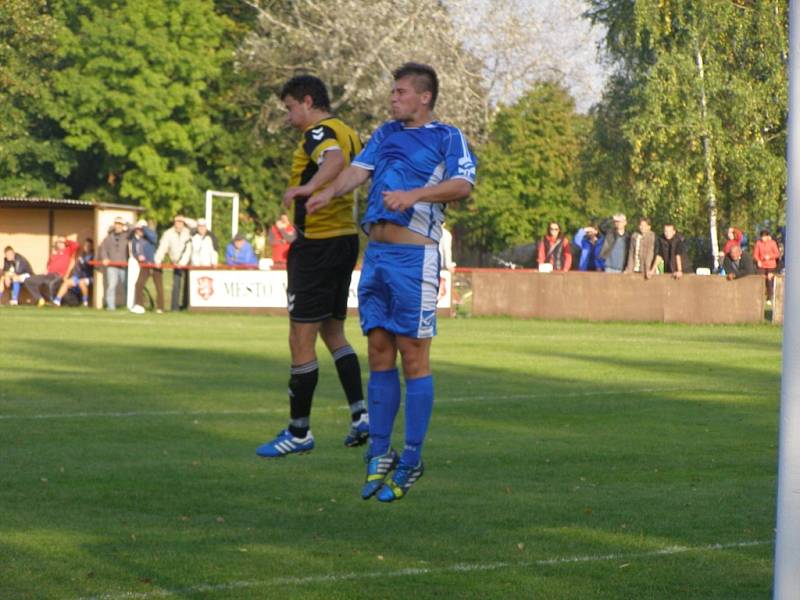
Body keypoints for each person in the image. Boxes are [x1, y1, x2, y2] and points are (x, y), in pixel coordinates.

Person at [304, 63, 476, 502]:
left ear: (424, 97)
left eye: (400, 92)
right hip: (376, 256)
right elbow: (356, 172)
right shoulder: (383, 133)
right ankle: (380, 453)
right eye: (392, 92)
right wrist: (326, 192)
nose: (392, 98)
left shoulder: (446, 136)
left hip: (414, 258)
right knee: (378, 350)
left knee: (412, 356)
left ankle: (412, 458)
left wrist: (414, 195)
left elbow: (462, 185)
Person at [255, 74, 367, 461]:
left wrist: (306, 189)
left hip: (318, 245)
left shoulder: (320, 132)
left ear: (306, 101)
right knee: (333, 332)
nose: (289, 118)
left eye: (289, 109)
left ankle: (298, 431)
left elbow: (333, 161)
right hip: (345, 239)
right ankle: (360, 414)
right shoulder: (349, 130)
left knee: (299, 339)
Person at [24, 236, 79, 306]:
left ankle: (53, 302)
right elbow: (48, 265)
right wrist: (46, 270)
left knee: (49, 284)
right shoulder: (54, 254)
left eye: (61, 242)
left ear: (65, 243)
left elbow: (76, 245)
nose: (58, 243)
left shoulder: (68, 251)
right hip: (48, 275)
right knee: (28, 281)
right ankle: (40, 299)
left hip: (58, 275)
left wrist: (66, 241)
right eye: (57, 242)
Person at [155, 214, 193, 310]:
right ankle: (175, 307)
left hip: (187, 262)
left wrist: (183, 263)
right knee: (176, 285)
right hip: (175, 262)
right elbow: (163, 247)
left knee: (188, 286)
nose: (179, 224)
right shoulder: (168, 233)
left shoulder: (188, 232)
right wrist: (158, 260)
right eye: (177, 222)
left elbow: (189, 249)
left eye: (181, 222)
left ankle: (187, 306)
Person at [130, 220, 164, 314]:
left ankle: (160, 308)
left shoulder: (149, 237)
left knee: (159, 287)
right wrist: (138, 257)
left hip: (155, 264)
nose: (140, 231)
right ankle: (139, 305)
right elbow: (134, 252)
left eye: (141, 229)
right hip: (145, 266)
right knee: (139, 284)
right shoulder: (134, 240)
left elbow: (154, 237)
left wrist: (144, 228)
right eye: (138, 229)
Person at [98, 216, 130, 310]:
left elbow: (133, 229)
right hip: (112, 266)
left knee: (127, 285)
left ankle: (128, 305)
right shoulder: (108, 238)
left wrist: (126, 224)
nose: (118, 226)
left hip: (124, 265)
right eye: (117, 224)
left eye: (120, 224)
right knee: (112, 285)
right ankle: (110, 306)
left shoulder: (127, 235)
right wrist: (105, 258)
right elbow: (103, 249)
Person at [53, 238, 94, 307]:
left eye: (88, 246)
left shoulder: (93, 255)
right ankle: (57, 301)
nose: (86, 247)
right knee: (66, 282)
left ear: (91, 247)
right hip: (78, 277)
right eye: (85, 245)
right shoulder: (81, 255)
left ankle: (85, 303)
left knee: (82, 282)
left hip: (89, 277)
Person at [753, 228, 781, 301]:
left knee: (769, 279)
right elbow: (755, 254)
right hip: (762, 265)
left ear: (768, 236)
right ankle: (760, 296)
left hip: (771, 265)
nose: (763, 238)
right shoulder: (758, 243)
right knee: (760, 278)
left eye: (765, 236)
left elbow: (777, 254)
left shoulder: (772, 243)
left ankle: (770, 297)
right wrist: (758, 260)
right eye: (762, 236)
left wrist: (770, 257)